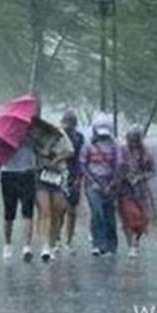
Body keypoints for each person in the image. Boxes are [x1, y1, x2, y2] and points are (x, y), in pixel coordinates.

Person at [29, 118, 74, 262]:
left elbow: (70, 151)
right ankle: (45, 246)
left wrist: (55, 159)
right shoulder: (32, 136)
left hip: (57, 174)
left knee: (57, 211)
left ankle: (53, 243)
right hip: (41, 175)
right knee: (45, 211)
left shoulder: (59, 134)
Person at [80, 116, 120, 256]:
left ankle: (111, 245)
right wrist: (92, 181)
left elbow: (118, 166)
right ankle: (98, 244)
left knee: (109, 214)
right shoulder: (88, 145)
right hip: (93, 183)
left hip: (109, 182)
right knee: (97, 213)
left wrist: (112, 184)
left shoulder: (114, 146)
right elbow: (83, 164)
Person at [119, 126, 156, 258]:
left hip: (140, 191)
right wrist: (124, 175)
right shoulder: (122, 151)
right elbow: (118, 166)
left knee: (142, 219)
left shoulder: (146, 154)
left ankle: (136, 241)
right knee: (129, 217)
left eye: (136, 139)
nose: (133, 142)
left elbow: (152, 171)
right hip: (125, 190)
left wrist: (141, 177)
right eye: (131, 139)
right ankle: (131, 246)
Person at [0, 136, 36, 262]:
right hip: (14, 172)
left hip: (22, 172)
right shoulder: (8, 132)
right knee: (12, 212)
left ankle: (23, 245)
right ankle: (12, 244)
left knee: (26, 211)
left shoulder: (29, 130)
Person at [61, 110, 85, 253]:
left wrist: (78, 177)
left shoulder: (79, 138)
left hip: (73, 174)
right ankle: (56, 237)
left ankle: (68, 240)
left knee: (71, 210)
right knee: (59, 208)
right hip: (58, 173)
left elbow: (80, 159)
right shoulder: (57, 135)